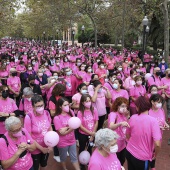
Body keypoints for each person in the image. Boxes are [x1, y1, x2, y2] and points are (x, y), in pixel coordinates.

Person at [126, 96, 162, 170]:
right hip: (142, 157)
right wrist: (155, 154)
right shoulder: (153, 121)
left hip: (130, 151)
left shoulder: (133, 117)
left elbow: (128, 134)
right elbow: (157, 144)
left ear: (138, 107)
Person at [24, 95, 52, 170]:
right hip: (35, 148)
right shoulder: (29, 117)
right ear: (33, 107)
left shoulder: (46, 113)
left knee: (44, 164)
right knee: (35, 167)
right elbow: (28, 136)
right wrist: (41, 148)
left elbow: (50, 128)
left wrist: (51, 144)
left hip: (46, 146)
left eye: (42, 105)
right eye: (38, 106)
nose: (40, 108)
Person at [53, 97, 80, 170]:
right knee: (63, 157)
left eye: (68, 104)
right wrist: (71, 127)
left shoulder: (71, 112)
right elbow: (61, 133)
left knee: (74, 157)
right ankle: (64, 169)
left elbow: (76, 124)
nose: (67, 106)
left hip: (72, 140)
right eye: (65, 105)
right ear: (60, 106)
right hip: (62, 142)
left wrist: (66, 128)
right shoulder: (56, 118)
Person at [77, 94, 98, 169]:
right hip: (83, 134)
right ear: (82, 103)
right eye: (86, 101)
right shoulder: (80, 112)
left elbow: (96, 122)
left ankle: (89, 161)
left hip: (92, 134)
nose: (88, 102)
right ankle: (82, 163)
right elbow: (80, 126)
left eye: (89, 101)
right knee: (82, 148)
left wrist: (93, 134)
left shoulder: (94, 109)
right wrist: (90, 133)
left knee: (90, 148)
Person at [108, 97, 129, 166]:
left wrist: (127, 117)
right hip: (115, 143)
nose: (124, 108)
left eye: (126, 106)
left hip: (123, 143)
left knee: (122, 160)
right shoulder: (113, 114)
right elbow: (111, 126)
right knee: (114, 161)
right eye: (122, 106)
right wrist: (120, 123)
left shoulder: (124, 115)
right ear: (117, 106)